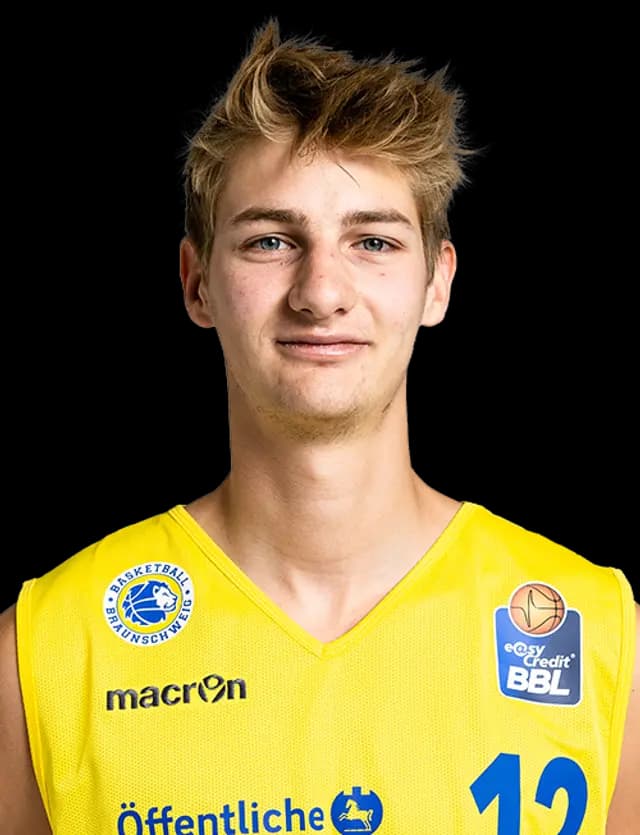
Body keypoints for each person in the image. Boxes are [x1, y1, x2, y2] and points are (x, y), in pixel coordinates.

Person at [1, 17, 637, 834]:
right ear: (197, 284)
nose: (321, 292)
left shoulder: (597, 630)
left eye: (373, 240)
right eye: (270, 240)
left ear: (437, 284)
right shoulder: (47, 646)